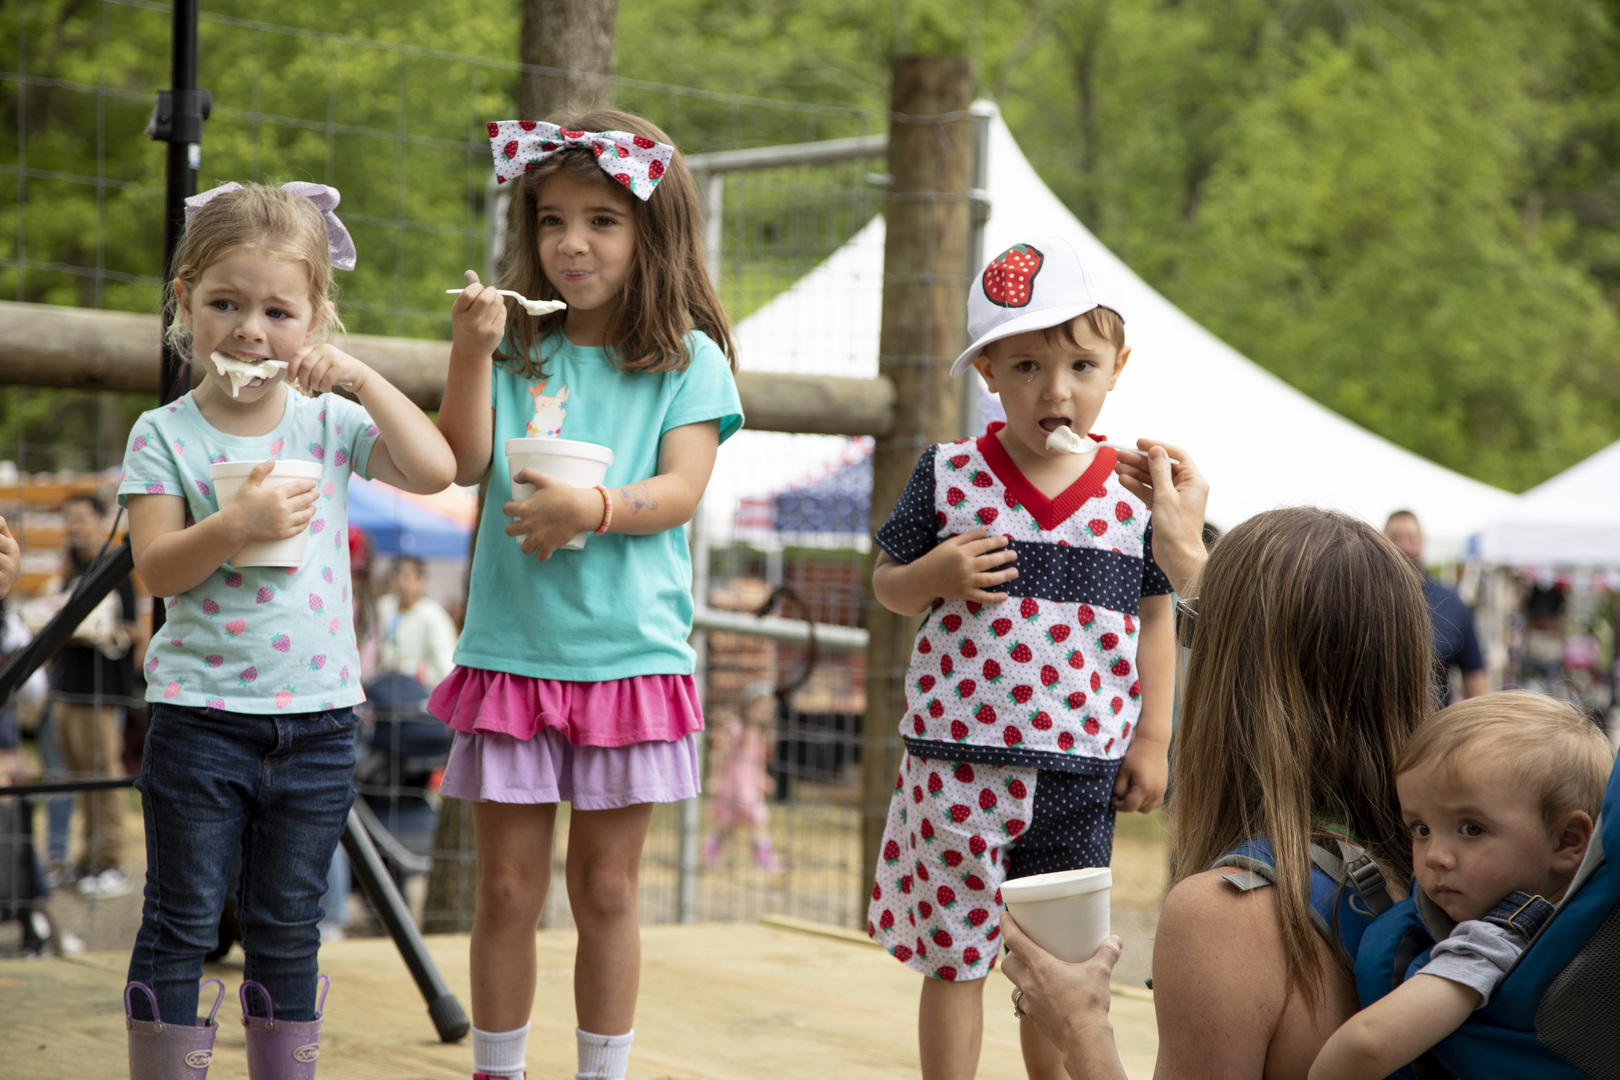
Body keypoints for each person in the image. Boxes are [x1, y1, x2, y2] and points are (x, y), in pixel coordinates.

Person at [117, 180, 455, 1077]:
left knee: (287, 926)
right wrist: (237, 525)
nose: (250, 329)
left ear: (315, 320)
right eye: (225, 302)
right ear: (183, 298)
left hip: (319, 725)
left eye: (278, 309)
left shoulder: (330, 422)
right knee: (181, 919)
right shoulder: (164, 434)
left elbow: (436, 468)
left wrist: (363, 377)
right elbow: (156, 569)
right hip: (198, 720)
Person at [430, 110, 742, 1080]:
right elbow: (464, 461)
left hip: (628, 664)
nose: (571, 242)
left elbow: (683, 490)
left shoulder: (688, 360)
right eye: (552, 220)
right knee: (508, 890)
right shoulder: (520, 349)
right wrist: (473, 350)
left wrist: (592, 508)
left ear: (654, 233)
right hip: (512, 659)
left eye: (602, 220)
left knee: (607, 891)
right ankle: (499, 1069)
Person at [866, 234, 1175, 1080]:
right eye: (1028, 366)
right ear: (987, 373)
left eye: (1080, 364)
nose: (1056, 389)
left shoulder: (1138, 493)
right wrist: (934, 573)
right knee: (954, 958)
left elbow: (1157, 617)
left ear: (1117, 367)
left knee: (1061, 969)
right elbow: (888, 586)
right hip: (955, 766)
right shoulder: (948, 475)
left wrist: (1152, 740)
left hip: (1082, 770)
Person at [1001, 491, 1436, 1080]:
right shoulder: (1445, 865)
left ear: (1231, 676)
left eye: (1194, 628)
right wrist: (1188, 560)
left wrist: (1079, 1027)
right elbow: (1292, 640)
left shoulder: (1231, 913)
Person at [1309, 691, 1609, 1080]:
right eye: (1420, 829)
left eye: (1471, 829)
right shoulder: (1600, 926)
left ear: (1567, 840)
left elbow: (1368, 1046)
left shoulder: (1495, 940)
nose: (1435, 856)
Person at [48, 493, 144, 899]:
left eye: (83, 518)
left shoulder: (114, 570)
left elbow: (130, 630)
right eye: (70, 519)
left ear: (101, 520)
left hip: (101, 693)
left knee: (101, 777)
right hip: (68, 689)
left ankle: (109, 861)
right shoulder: (70, 568)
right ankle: (86, 858)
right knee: (77, 777)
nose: (76, 526)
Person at [1385, 509, 1487, 703]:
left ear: (1423, 543)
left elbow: (1475, 677)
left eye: (1412, 539)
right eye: (1394, 538)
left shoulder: (1452, 603)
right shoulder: (1363, 598)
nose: (1403, 547)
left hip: (1432, 728)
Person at [703, 681, 783, 872]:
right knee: (730, 824)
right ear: (748, 707)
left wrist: (764, 778)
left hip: (749, 786)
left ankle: (762, 859)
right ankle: (712, 856)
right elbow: (719, 754)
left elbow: (757, 762)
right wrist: (713, 778)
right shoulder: (735, 729)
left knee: (757, 818)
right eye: (761, 708)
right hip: (733, 785)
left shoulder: (760, 734)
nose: (765, 713)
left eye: (768, 710)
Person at [375, 555, 458, 690]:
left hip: (418, 692)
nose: (403, 584)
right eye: (398, 576)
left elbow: (445, 663)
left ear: (421, 580)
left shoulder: (434, 615)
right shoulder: (383, 607)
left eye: (409, 578)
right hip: (382, 686)